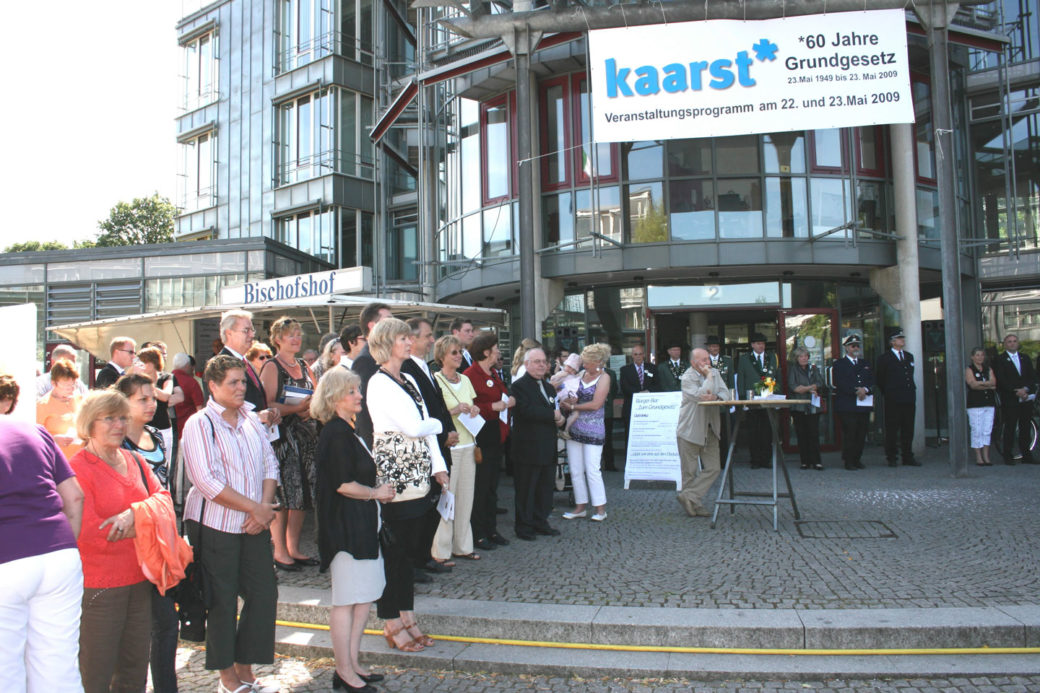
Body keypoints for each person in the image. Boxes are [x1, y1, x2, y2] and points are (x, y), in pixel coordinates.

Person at [182, 355, 280, 693]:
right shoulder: (199, 423)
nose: (241, 388)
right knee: (221, 601)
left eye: (242, 381)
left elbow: (270, 463)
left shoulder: (252, 418)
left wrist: (263, 509)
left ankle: (246, 666)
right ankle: (227, 677)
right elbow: (206, 481)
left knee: (263, 594)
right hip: (216, 527)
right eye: (233, 383)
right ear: (212, 386)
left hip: (254, 523)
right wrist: (257, 509)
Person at [70, 389, 170, 693]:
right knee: (96, 673)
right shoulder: (77, 469)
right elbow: (95, 532)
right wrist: (146, 521)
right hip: (100, 588)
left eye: (123, 418)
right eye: (109, 418)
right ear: (89, 424)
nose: (118, 425)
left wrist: (133, 517)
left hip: (139, 581)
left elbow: (164, 501)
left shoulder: (134, 459)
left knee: (134, 671)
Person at [366, 318, 449, 653]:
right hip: (396, 478)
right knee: (396, 554)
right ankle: (392, 621)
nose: (409, 341)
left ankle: (408, 616)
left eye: (408, 336)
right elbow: (417, 426)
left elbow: (425, 431)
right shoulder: (378, 382)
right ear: (387, 342)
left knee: (409, 554)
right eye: (402, 337)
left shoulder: (411, 378)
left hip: (419, 476)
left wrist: (439, 468)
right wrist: (439, 423)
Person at [312, 368, 393, 692]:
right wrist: (376, 493)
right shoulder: (334, 433)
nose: (359, 395)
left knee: (362, 600)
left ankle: (353, 664)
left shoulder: (349, 429)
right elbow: (343, 484)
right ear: (334, 398)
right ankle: (344, 672)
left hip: (360, 526)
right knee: (346, 601)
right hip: (345, 530)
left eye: (358, 390)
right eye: (352, 391)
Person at [0, 417, 84, 692]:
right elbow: (73, 496)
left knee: (6, 672)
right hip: (59, 554)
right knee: (58, 667)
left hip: (8, 560)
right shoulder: (32, 429)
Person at [113, 373, 179, 693]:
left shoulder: (156, 434)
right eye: (143, 399)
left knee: (167, 624)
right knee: (135, 630)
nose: (151, 404)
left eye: (153, 397)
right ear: (123, 402)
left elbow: (165, 488)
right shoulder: (115, 442)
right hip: (130, 547)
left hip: (159, 541)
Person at [260, 316, 319, 572]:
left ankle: (294, 547)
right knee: (286, 493)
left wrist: (310, 409)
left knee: (304, 494)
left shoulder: (305, 365)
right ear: (277, 340)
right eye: (290, 335)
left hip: (306, 435)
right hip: (283, 437)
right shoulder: (272, 366)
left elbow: (316, 395)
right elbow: (268, 403)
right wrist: (295, 408)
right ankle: (280, 551)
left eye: (298, 334)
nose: (295, 339)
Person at [401, 318, 458, 577]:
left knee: (435, 502)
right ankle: (413, 561)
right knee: (424, 504)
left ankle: (424, 556)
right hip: (428, 446)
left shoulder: (424, 366)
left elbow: (437, 404)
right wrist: (443, 434)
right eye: (427, 336)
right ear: (411, 339)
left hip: (441, 443)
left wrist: (449, 430)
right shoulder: (407, 368)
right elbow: (419, 410)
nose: (432, 340)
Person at [431, 335, 482, 562]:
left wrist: (473, 410)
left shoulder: (465, 379)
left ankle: (463, 545)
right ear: (442, 356)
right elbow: (436, 413)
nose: (459, 356)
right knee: (447, 498)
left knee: (466, 497)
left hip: (469, 443)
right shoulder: (436, 380)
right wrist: (454, 410)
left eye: (460, 352)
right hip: (450, 446)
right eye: (454, 352)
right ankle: (440, 550)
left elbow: (473, 403)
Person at [464, 331, 514, 550]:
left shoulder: (493, 373)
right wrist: (490, 407)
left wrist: (507, 399)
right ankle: (478, 532)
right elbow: (468, 407)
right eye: (495, 349)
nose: (498, 353)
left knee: (492, 486)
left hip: (495, 433)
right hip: (481, 434)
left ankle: (491, 529)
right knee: (481, 486)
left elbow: (499, 395)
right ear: (486, 352)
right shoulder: (470, 375)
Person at [510, 348, 564, 540]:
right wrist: (552, 415)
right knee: (526, 490)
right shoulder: (518, 386)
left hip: (548, 446)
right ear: (526, 364)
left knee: (544, 489)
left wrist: (560, 419)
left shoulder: (549, 387)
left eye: (544, 362)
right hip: (528, 448)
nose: (542, 365)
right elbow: (525, 411)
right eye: (537, 361)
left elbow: (556, 409)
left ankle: (541, 521)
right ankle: (524, 527)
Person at [560, 343, 612, 522]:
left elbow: (597, 404)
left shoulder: (605, 378)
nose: (584, 365)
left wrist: (574, 406)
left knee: (592, 469)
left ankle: (600, 508)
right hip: (575, 427)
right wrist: (570, 398)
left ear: (598, 361)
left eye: (588, 362)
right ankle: (580, 506)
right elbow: (570, 391)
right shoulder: (581, 374)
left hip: (594, 429)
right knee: (575, 469)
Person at [675, 348, 730, 518]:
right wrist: (710, 378)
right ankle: (694, 506)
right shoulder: (687, 378)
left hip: (711, 429)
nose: (708, 363)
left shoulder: (715, 373)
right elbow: (702, 395)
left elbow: (726, 394)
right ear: (693, 363)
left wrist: (716, 397)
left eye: (708, 359)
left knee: (714, 468)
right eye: (703, 360)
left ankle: (688, 496)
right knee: (689, 472)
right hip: (690, 430)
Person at [218, 309, 281, 427]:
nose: (252, 335)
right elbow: (221, 412)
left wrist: (269, 411)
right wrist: (257, 416)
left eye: (252, 330)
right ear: (229, 333)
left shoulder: (244, 361)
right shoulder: (221, 365)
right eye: (246, 331)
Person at [352, 302, 394, 448]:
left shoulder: (389, 355)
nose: (393, 324)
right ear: (372, 326)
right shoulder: (365, 360)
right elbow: (363, 409)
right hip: (379, 444)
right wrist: (372, 448)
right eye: (388, 319)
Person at [874, 328, 919, 467]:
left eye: (902, 338)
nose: (902, 340)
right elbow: (880, 378)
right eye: (899, 338)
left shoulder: (909, 356)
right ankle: (892, 456)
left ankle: (907, 456)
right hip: (893, 398)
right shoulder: (884, 358)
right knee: (892, 428)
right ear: (893, 342)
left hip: (908, 397)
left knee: (908, 428)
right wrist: (888, 392)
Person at [736, 332, 779, 469]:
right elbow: (741, 378)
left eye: (763, 344)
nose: (761, 346)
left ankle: (766, 460)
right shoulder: (744, 359)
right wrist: (742, 398)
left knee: (767, 430)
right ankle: (754, 459)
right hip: (751, 398)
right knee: (753, 431)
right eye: (759, 343)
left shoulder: (771, 357)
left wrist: (776, 393)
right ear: (752, 345)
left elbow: (775, 375)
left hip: (767, 397)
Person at [993, 333, 1037, 465]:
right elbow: (1001, 379)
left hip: (1025, 397)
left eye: (1014, 341)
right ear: (1005, 344)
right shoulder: (999, 359)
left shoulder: (1025, 358)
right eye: (1009, 342)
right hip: (1010, 398)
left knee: (1025, 426)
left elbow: (1032, 376)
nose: (1012, 343)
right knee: (1010, 427)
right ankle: (1008, 455)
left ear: (1018, 343)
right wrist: (1016, 391)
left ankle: (1027, 455)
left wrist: (1026, 390)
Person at [137, 346, 184, 468]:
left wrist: (149, 386)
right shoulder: (137, 380)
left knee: (164, 462)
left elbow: (166, 395)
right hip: (143, 427)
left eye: (143, 363)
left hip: (163, 427)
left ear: (151, 364)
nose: (139, 366)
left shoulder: (166, 377)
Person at [832, 335, 874, 471]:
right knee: (850, 433)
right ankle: (848, 460)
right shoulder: (839, 364)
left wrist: (866, 389)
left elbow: (872, 380)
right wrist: (856, 391)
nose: (855, 348)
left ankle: (857, 458)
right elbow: (840, 383)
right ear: (846, 348)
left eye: (857, 345)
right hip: (848, 404)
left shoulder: (865, 363)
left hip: (863, 404)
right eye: (852, 346)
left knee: (861, 433)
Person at [36, 357, 85, 460]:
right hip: (57, 463)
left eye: (74, 384)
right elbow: (34, 438)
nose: (71, 389)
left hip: (81, 460)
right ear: (54, 383)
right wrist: (53, 440)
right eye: (66, 385)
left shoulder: (79, 400)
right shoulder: (42, 405)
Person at [787, 346, 827, 471]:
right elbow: (794, 387)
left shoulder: (813, 368)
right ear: (797, 358)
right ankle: (805, 461)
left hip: (813, 406)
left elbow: (820, 383)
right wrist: (810, 388)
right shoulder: (793, 369)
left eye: (805, 356)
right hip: (798, 407)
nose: (804, 358)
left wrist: (811, 387)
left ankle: (817, 461)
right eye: (801, 356)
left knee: (814, 433)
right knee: (802, 434)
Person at [619, 343, 657, 445]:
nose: (638, 356)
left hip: (650, 407)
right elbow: (624, 387)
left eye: (640, 354)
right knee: (630, 436)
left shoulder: (652, 368)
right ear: (632, 356)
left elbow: (657, 385)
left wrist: (647, 392)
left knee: (649, 435)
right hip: (631, 408)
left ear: (644, 355)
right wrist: (639, 393)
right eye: (636, 354)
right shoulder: (625, 370)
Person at [966, 346, 997, 466]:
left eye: (982, 355)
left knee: (987, 430)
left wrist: (982, 384)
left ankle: (986, 456)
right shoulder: (969, 369)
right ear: (972, 357)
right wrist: (987, 384)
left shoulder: (988, 369)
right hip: (975, 404)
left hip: (989, 402)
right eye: (977, 355)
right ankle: (978, 456)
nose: (980, 357)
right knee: (977, 430)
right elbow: (972, 384)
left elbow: (994, 383)